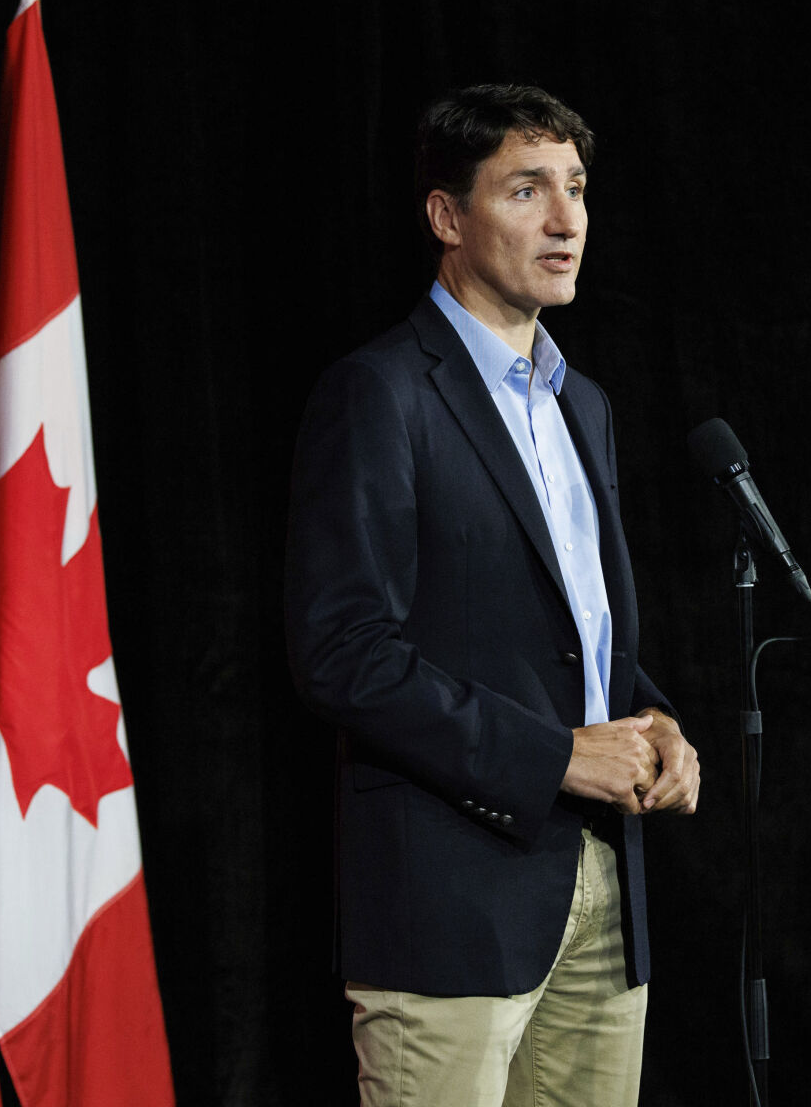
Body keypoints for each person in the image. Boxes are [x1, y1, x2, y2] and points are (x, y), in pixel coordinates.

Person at [284, 84, 700, 1107]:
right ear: (446, 216)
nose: (565, 222)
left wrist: (653, 721)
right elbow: (342, 652)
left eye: (574, 189)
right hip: (449, 898)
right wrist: (554, 755)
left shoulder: (582, 404)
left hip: (604, 886)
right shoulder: (379, 392)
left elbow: (572, 633)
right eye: (526, 190)